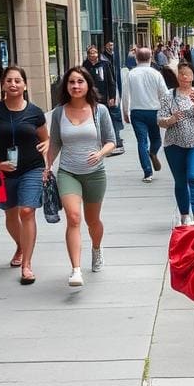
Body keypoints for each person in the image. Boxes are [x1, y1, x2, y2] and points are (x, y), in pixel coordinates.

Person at [45, 67, 117, 287]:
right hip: (68, 172)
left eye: (80, 82)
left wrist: (100, 153)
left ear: (87, 85)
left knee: (92, 221)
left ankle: (96, 248)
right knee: (74, 217)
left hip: (95, 174)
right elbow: (55, 142)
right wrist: (47, 167)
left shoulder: (100, 110)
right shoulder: (59, 112)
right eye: (71, 82)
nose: (75, 86)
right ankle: (76, 270)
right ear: (66, 86)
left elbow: (111, 141)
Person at [0, 65, 49, 284]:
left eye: (18, 80)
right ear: (3, 84)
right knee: (10, 214)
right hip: (4, 171)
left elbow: (46, 138)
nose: (13, 84)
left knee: (27, 211)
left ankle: (27, 265)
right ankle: (20, 245)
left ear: (25, 85)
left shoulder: (35, 112)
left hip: (32, 168)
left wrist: (47, 152)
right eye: (9, 80)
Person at [159, 62, 194, 226]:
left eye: (187, 74)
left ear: (193, 76)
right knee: (180, 180)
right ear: (178, 76)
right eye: (181, 73)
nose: (184, 76)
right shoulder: (169, 96)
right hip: (173, 144)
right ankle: (185, 214)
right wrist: (171, 119)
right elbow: (160, 121)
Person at [122, 47, 168, 183]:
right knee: (156, 139)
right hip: (154, 111)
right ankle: (153, 152)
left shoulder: (131, 74)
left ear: (136, 58)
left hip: (137, 112)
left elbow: (125, 96)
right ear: (151, 57)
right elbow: (165, 94)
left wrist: (125, 112)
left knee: (141, 142)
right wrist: (165, 110)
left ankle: (147, 172)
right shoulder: (156, 74)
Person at [82, 45, 123, 156]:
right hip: (90, 97)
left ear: (98, 54)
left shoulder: (105, 64)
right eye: (90, 53)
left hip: (104, 97)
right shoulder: (85, 66)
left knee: (105, 120)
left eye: (95, 52)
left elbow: (111, 82)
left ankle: (110, 142)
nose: (93, 55)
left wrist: (112, 97)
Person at [102, 40, 126, 154]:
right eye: (109, 45)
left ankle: (116, 139)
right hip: (109, 93)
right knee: (112, 116)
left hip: (114, 90)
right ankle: (115, 140)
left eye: (112, 44)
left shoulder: (114, 56)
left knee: (114, 116)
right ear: (105, 46)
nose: (111, 47)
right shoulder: (104, 60)